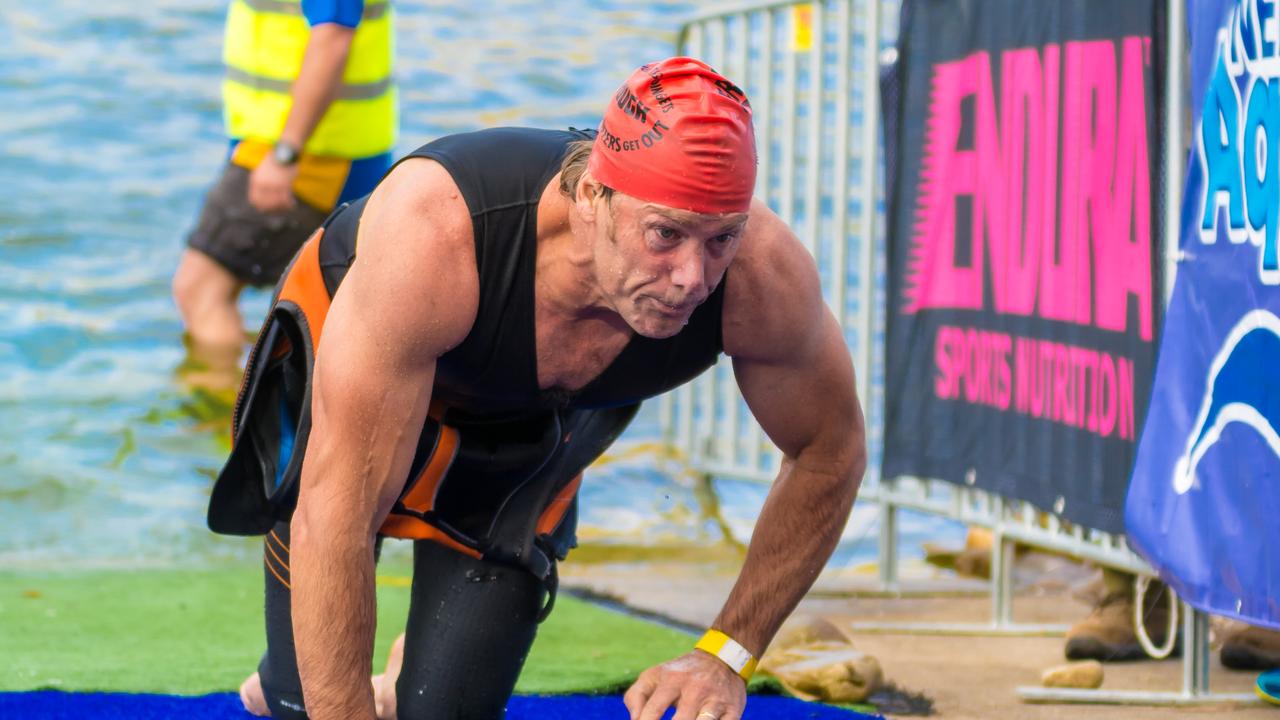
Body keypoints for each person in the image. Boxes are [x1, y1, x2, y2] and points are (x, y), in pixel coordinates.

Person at [205, 57, 866, 720]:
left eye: (722, 237)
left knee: (441, 710)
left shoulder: (762, 278)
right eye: (665, 234)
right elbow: (339, 514)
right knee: (307, 702)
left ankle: (406, 666)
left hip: (527, 424)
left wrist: (725, 652)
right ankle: (282, 680)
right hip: (355, 374)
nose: (692, 278)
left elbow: (829, 450)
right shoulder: (438, 233)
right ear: (589, 198)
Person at [172, 0, 397, 355]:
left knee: (202, 286)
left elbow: (333, 37)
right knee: (314, 312)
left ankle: (227, 408)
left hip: (303, 151)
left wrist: (285, 153)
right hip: (309, 146)